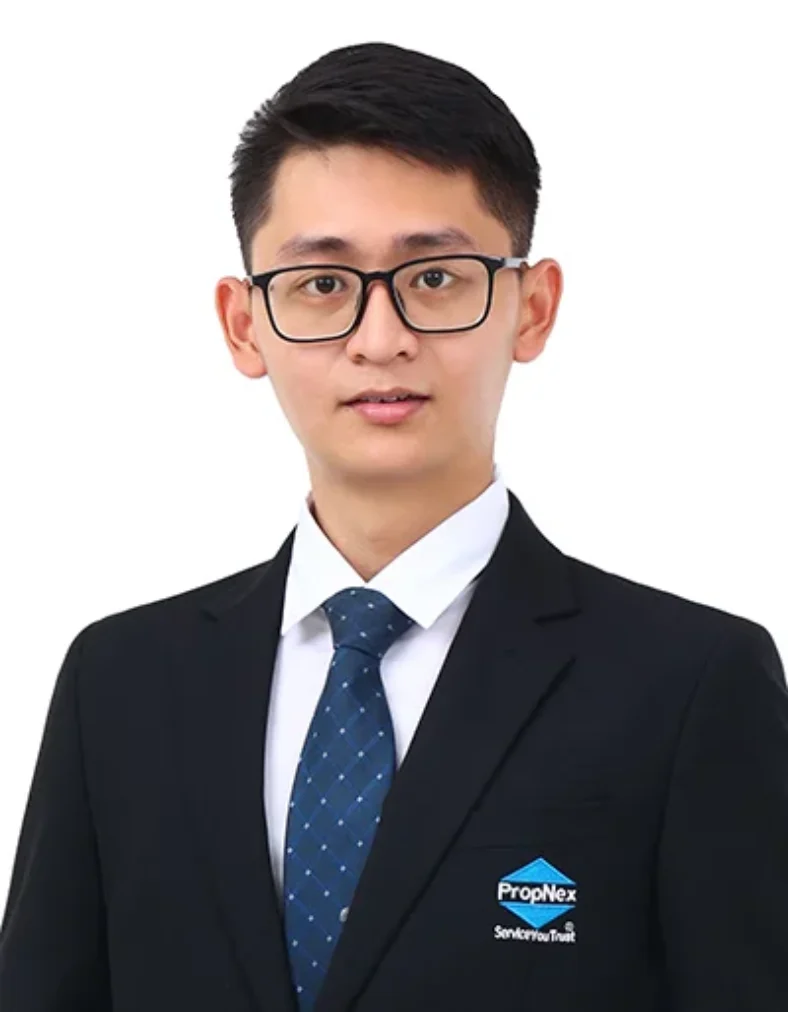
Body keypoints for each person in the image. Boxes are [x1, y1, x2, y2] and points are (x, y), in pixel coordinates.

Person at [1, 40, 786, 1012]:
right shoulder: (118, 684)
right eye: (322, 284)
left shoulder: (690, 685)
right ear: (245, 324)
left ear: (532, 308)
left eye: (436, 277)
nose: (382, 339)